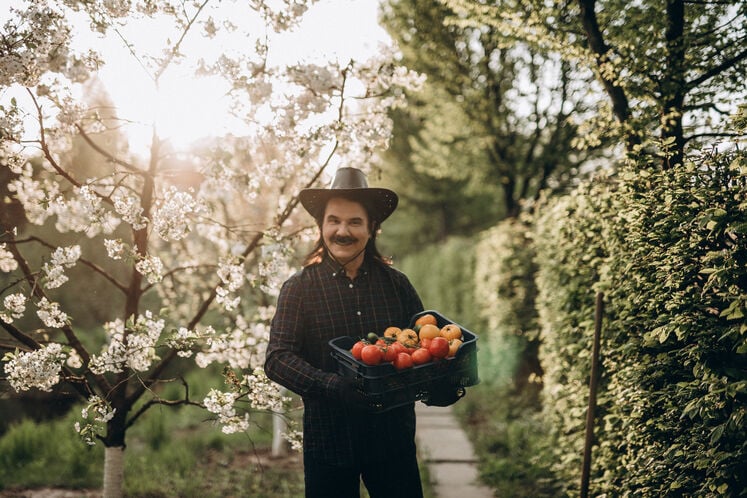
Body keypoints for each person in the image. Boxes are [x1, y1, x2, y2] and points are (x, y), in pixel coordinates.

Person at [264, 167, 461, 498]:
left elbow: (424, 346)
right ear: (321, 226)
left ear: (372, 229)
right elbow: (278, 359)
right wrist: (333, 386)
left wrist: (442, 382)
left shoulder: (397, 285)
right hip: (329, 443)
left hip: (392, 442)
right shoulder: (299, 288)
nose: (343, 231)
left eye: (355, 222)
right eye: (334, 221)